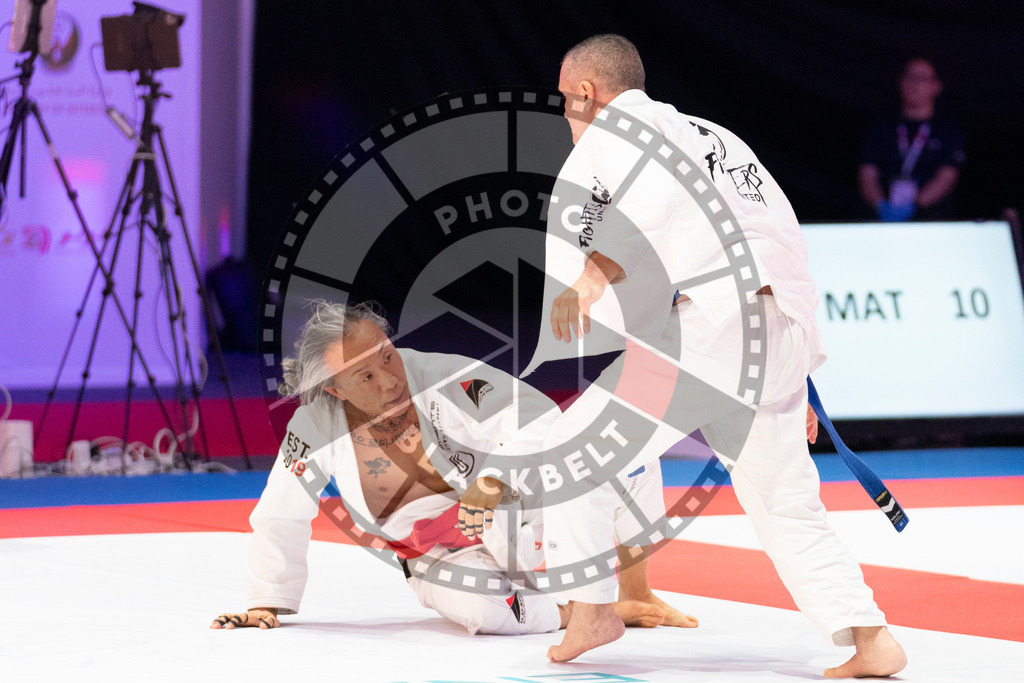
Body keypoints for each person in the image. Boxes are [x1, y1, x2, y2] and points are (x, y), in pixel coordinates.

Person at [526, 34, 907, 678]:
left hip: (717, 327)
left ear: (587, 93)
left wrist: (592, 276)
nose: (567, 114)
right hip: (775, 328)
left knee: (573, 449)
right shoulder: (717, 138)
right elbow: (780, 237)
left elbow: (649, 202)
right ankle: (870, 637)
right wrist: (795, 373)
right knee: (786, 505)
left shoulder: (620, 129)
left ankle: (591, 608)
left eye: (566, 100)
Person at [211, 300, 695, 635]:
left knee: (623, 454)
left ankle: (638, 590)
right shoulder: (315, 427)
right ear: (335, 389)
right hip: (437, 553)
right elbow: (281, 512)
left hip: (507, 508)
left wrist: (496, 476)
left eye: (387, 356)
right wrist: (266, 602)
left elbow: (537, 415)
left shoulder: (440, 374)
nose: (389, 380)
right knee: (482, 609)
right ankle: (575, 612)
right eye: (366, 375)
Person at [859, 57, 966, 222]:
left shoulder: (947, 130)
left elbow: (946, 177)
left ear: (936, 86)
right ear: (900, 82)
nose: (914, 84)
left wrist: (915, 207)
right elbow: (867, 173)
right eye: (910, 77)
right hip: (883, 219)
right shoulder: (881, 128)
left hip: (933, 220)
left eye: (922, 78)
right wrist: (880, 205)